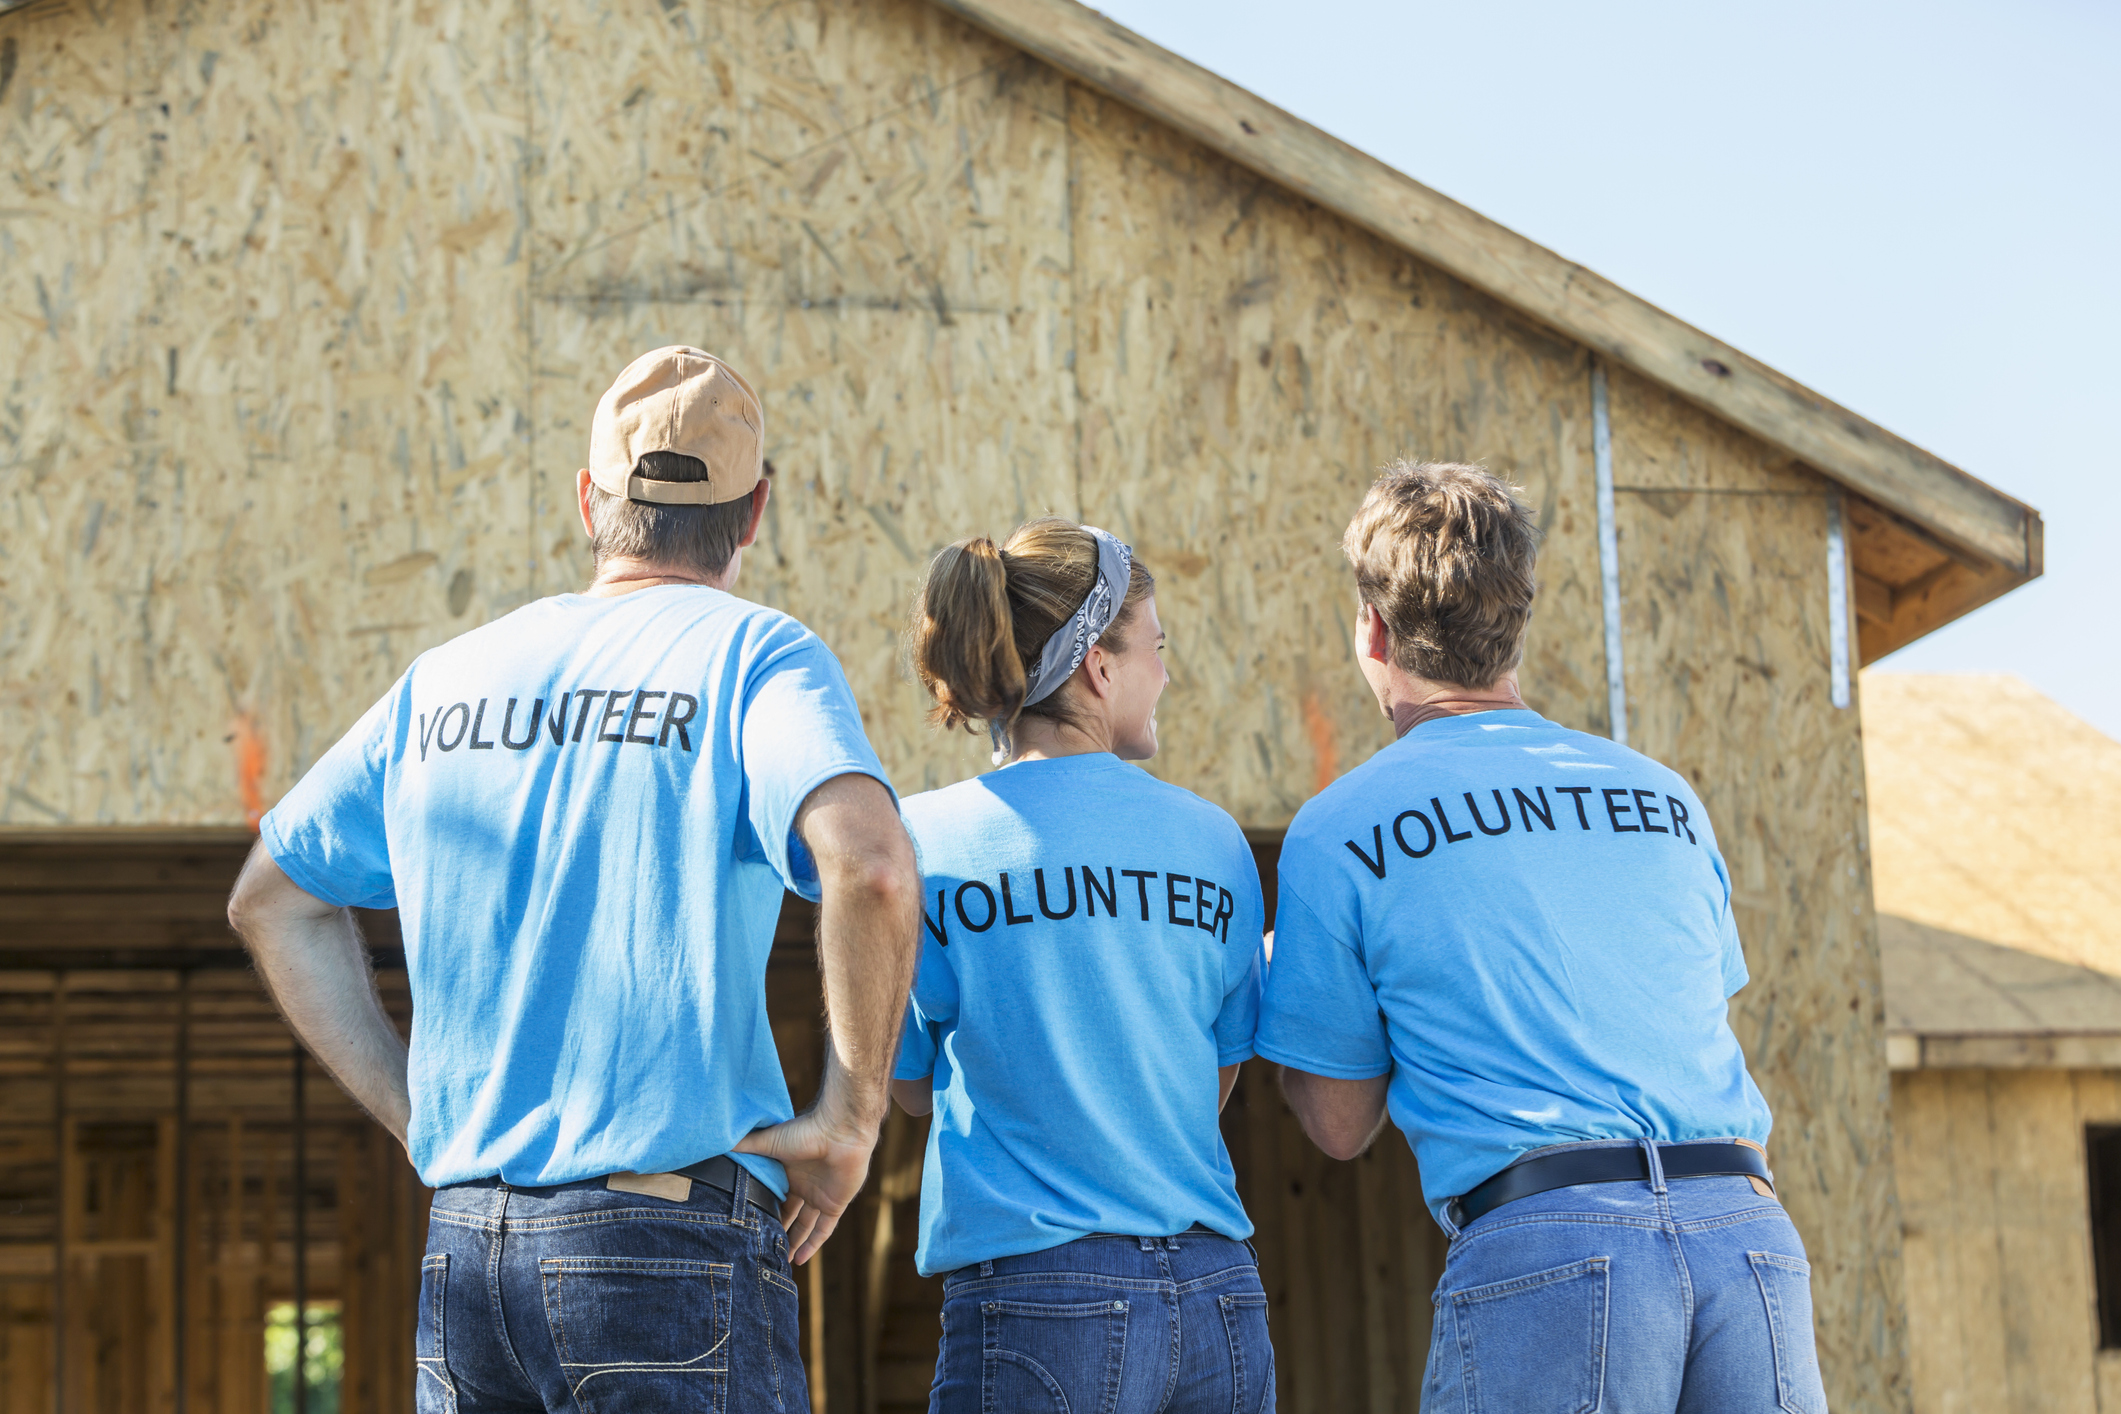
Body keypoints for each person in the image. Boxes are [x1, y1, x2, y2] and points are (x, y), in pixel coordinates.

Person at [227, 346, 921, 1414]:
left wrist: (423, 1117)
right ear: (754, 512)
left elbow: (270, 898)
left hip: (469, 1255)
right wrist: (849, 1118)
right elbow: (870, 867)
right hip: (666, 1239)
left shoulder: (444, 682)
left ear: (590, 500)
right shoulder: (756, 657)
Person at [1257, 462, 1828, 1413]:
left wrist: (1283, 981)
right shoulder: (1664, 797)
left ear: (1373, 629)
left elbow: (1338, 1125)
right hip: (1750, 1237)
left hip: (1558, 1247)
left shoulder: (1341, 827)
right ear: (1515, 623)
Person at [888, 519, 1276, 1414]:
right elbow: (1208, 1077)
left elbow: (906, 1087)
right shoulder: (1212, 841)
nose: (1165, 672)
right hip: (1217, 1293)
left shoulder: (922, 842)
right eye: (1157, 648)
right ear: (1100, 666)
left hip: (1037, 1297)